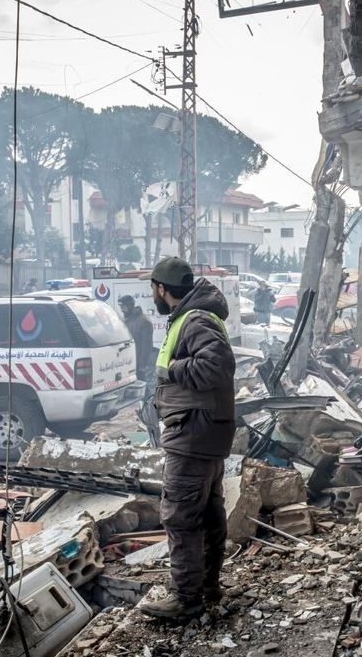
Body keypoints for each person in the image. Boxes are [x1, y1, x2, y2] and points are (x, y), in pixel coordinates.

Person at [138, 257, 236, 620]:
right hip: (202, 431)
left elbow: (216, 366)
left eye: (153, 290)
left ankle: (186, 599)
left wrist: (172, 368)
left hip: (192, 434)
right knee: (207, 514)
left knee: (180, 516)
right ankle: (206, 588)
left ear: (162, 289)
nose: (153, 295)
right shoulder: (195, 316)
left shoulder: (195, 319)